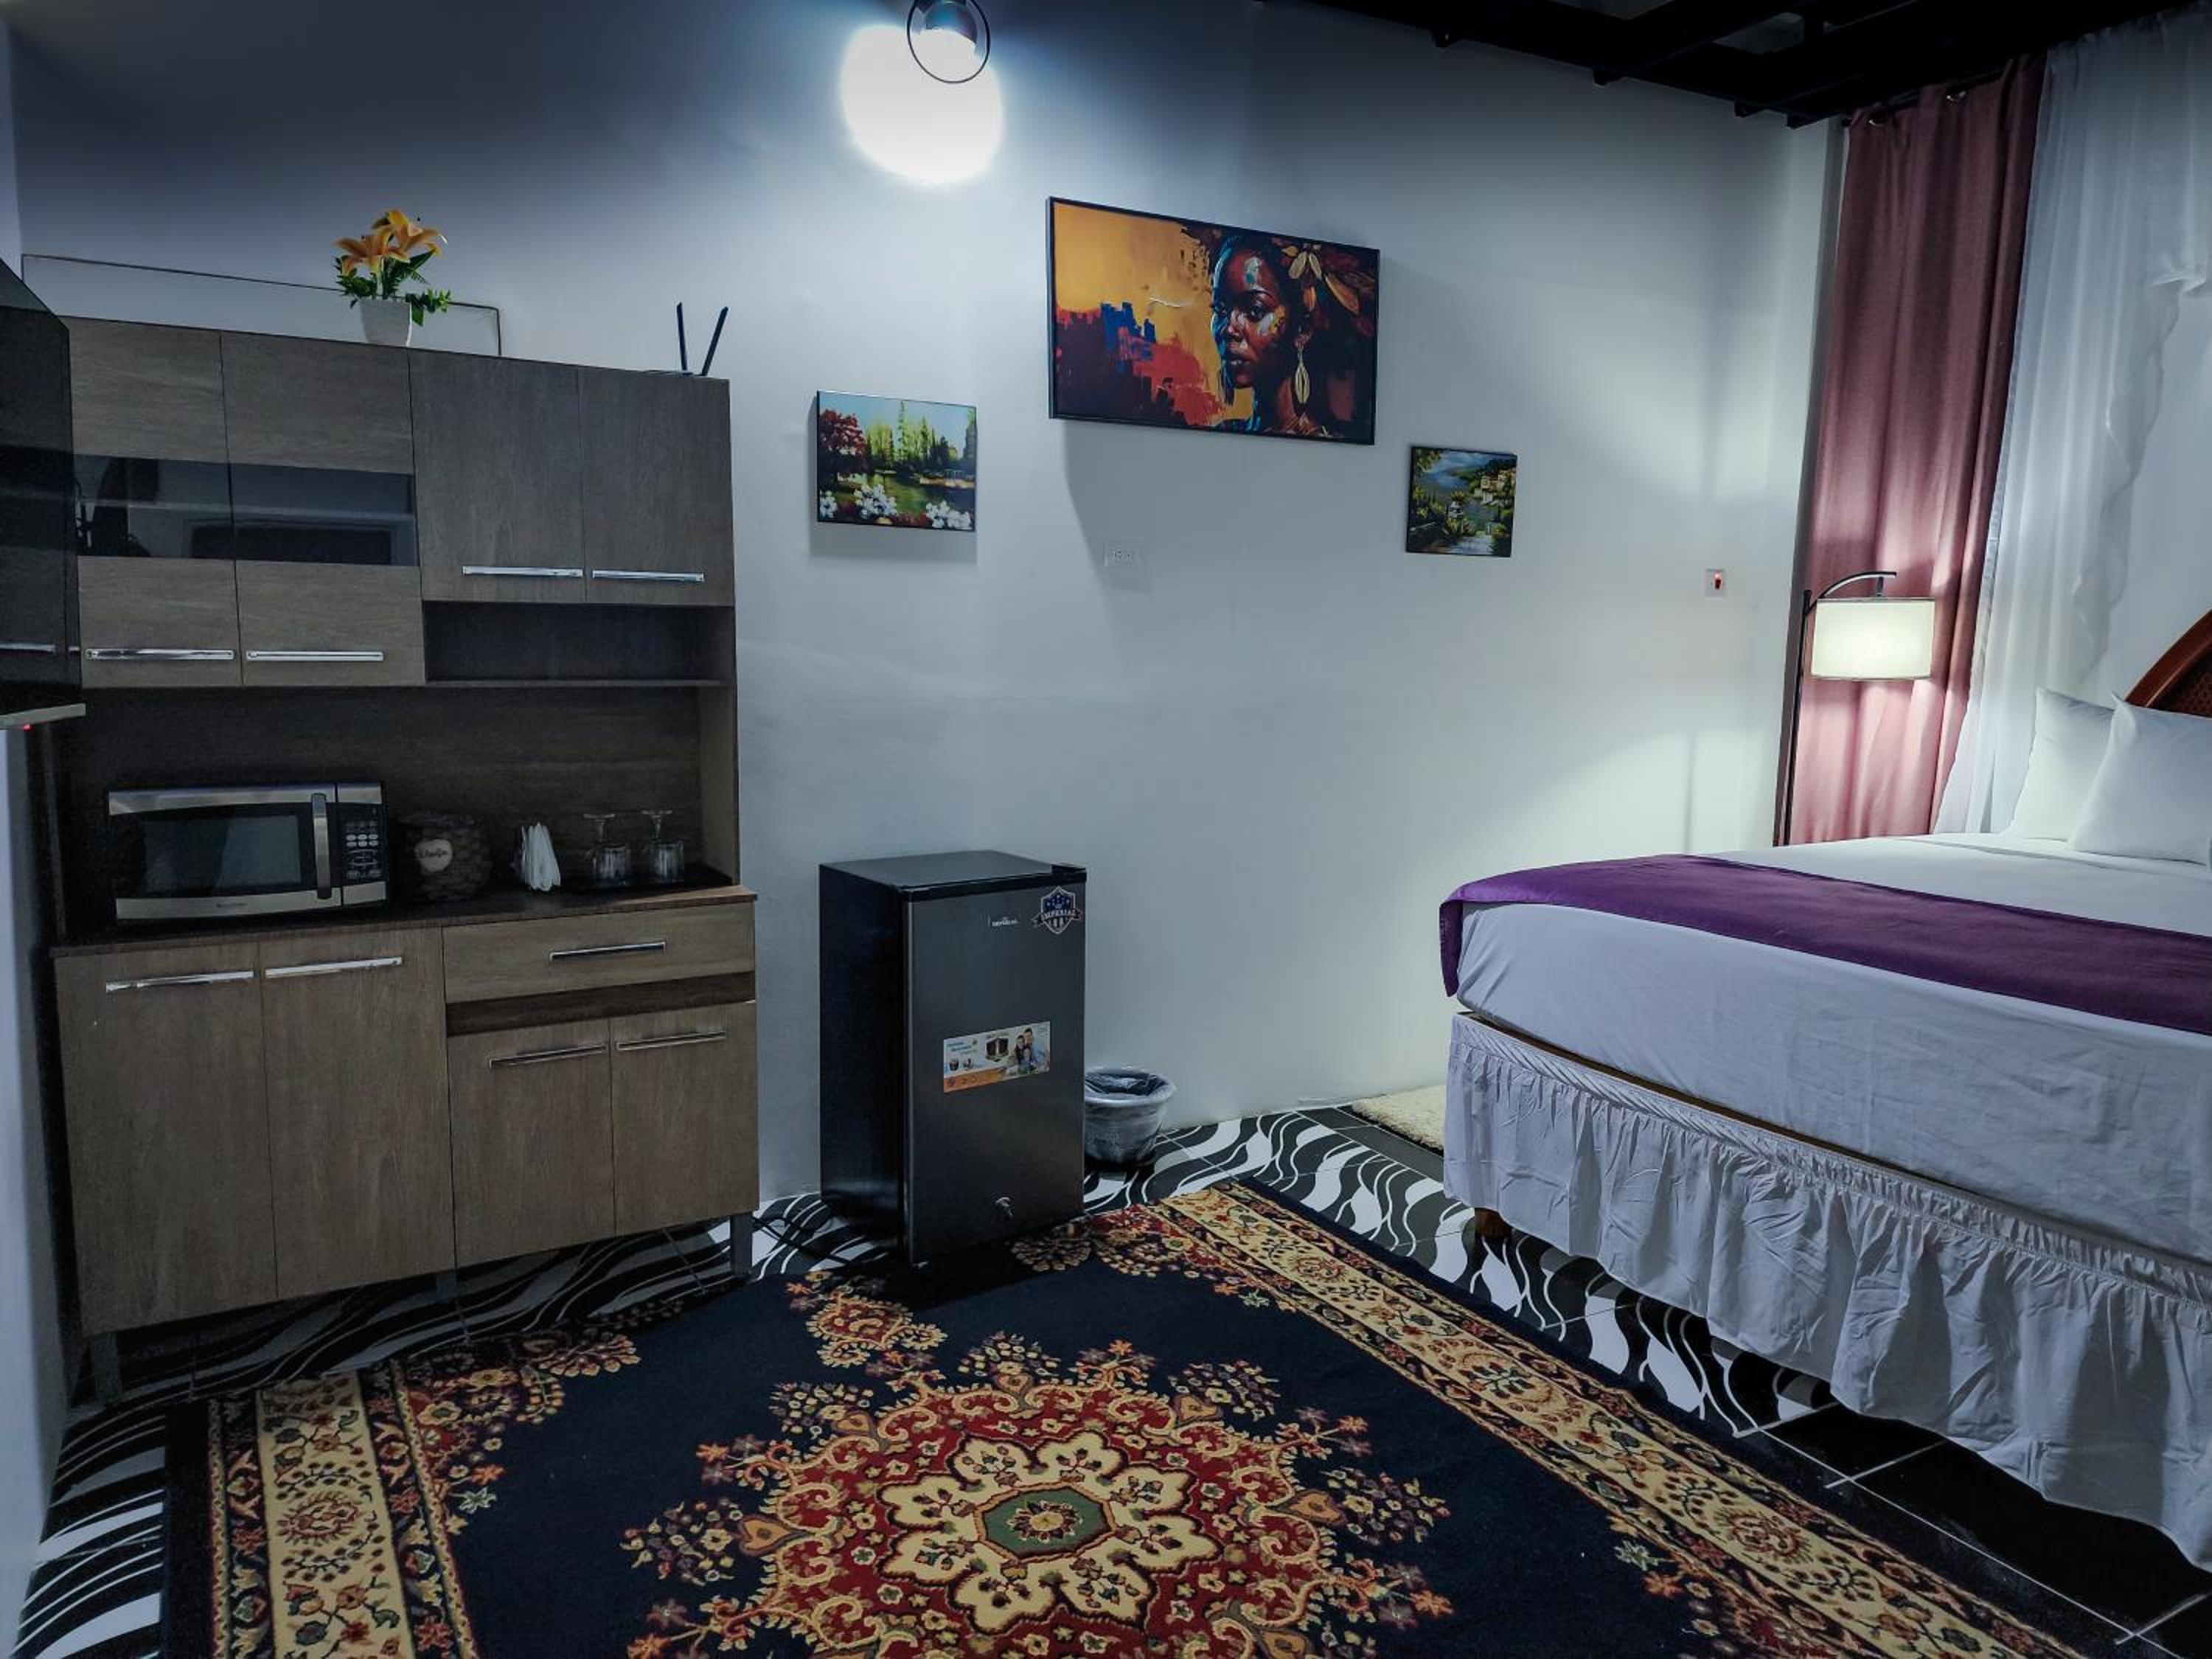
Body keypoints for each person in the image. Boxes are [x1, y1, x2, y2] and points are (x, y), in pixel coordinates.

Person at [1207, 230, 1374, 440]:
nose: (1228, 329)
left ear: (1302, 329)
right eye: (1220, 309)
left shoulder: (1330, 443)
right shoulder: (1223, 434)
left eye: (1254, 311)